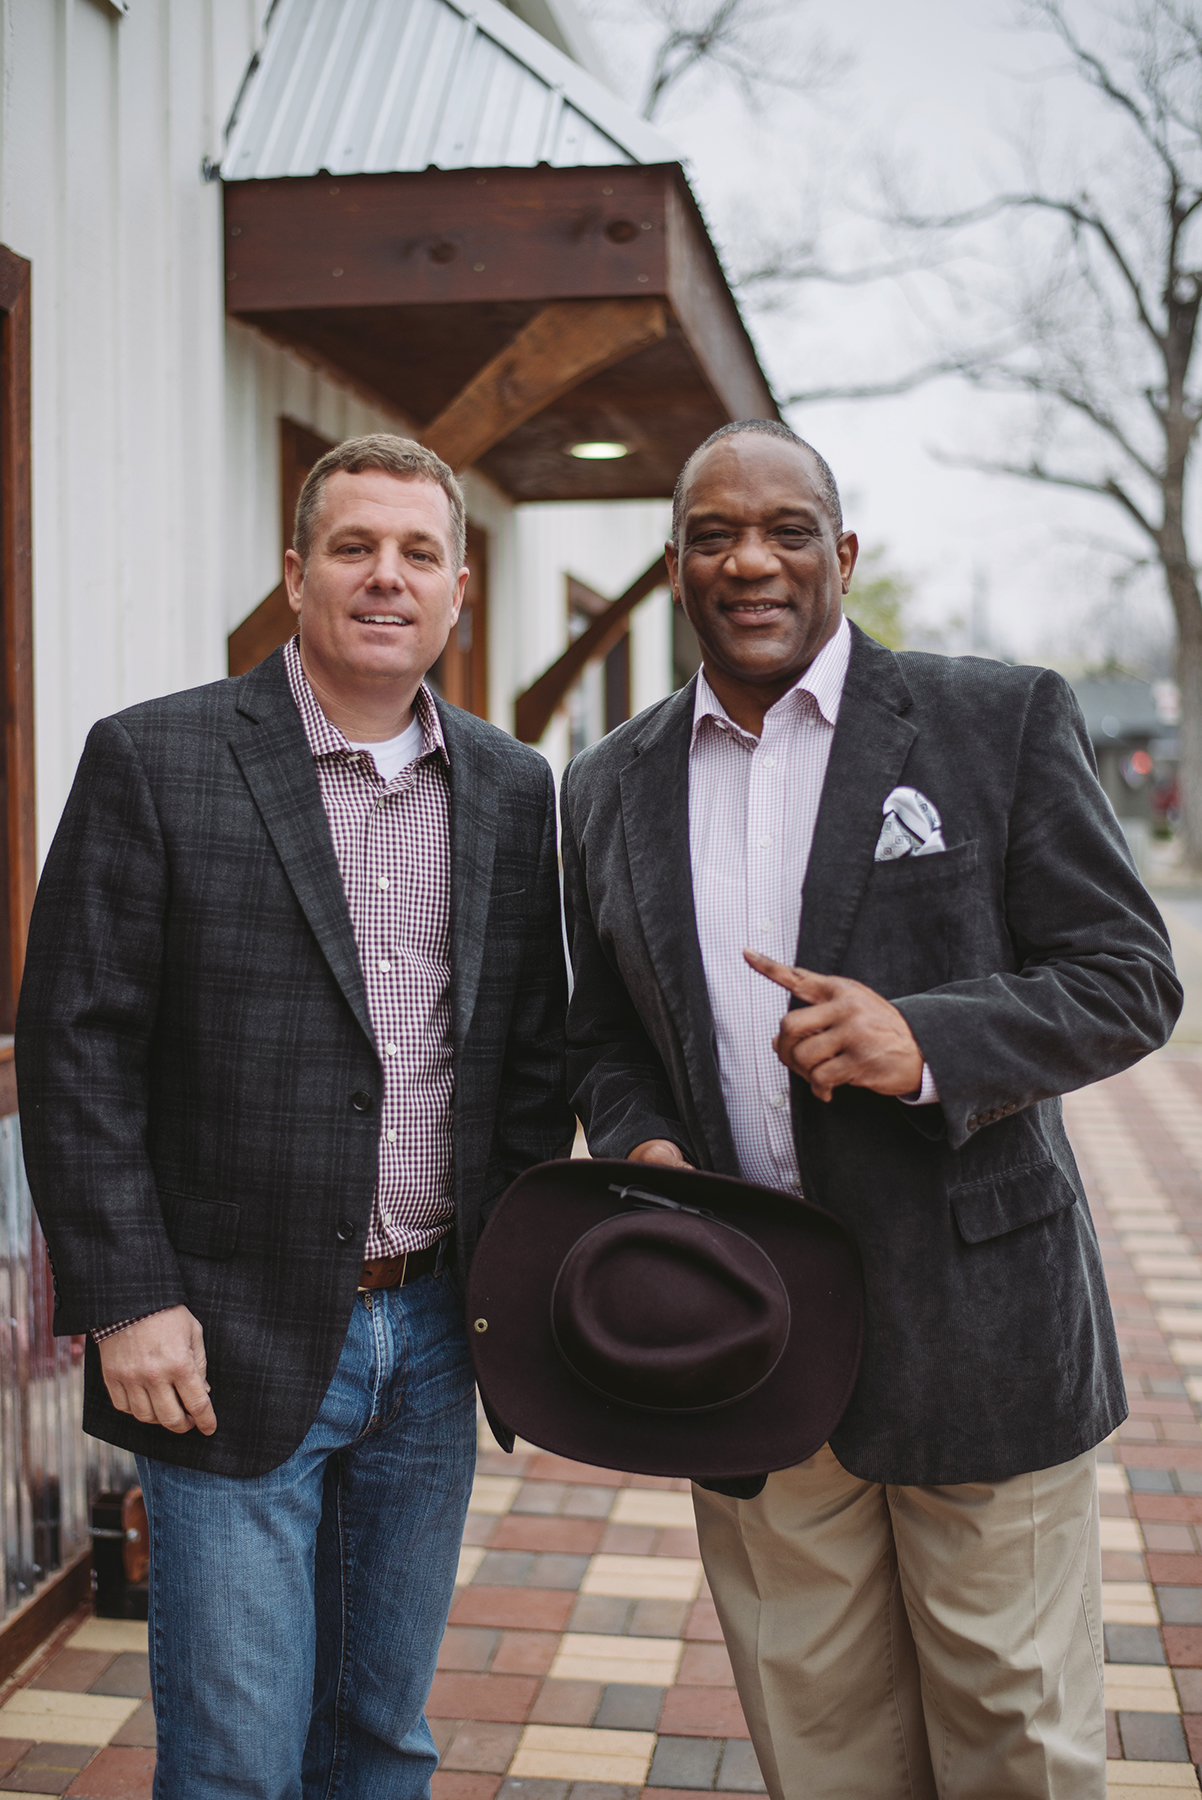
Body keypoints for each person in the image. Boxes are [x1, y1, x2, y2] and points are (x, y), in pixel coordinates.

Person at [559, 419, 1181, 1800]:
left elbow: (1130, 977)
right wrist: (642, 1145)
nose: (751, 560)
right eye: (714, 534)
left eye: (785, 530)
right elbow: (601, 1030)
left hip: (978, 1329)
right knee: (818, 1750)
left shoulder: (992, 718)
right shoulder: (605, 785)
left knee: (1015, 1747)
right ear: (676, 567)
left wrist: (926, 1041)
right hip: (745, 1337)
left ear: (840, 554)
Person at [16, 434, 573, 1800]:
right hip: (221, 1333)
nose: (387, 577)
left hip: (436, 1333)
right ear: (295, 573)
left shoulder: (511, 788)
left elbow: (531, 1056)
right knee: (234, 1761)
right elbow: (74, 1046)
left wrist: (523, 1281)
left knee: (380, 1738)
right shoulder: (156, 759)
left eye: (417, 553)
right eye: (353, 547)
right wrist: (127, 1296)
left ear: (456, 592)